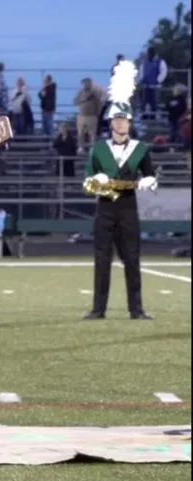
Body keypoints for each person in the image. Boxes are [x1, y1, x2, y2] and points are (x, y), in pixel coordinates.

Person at [82, 60, 156, 321]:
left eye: (124, 119)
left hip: (128, 207)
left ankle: (136, 309)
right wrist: (97, 180)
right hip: (104, 207)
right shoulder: (98, 149)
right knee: (101, 260)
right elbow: (86, 181)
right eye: (117, 119)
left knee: (132, 259)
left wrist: (150, 182)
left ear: (130, 122)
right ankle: (97, 309)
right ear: (111, 122)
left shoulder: (141, 148)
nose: (121, 123)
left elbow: (150, 176)